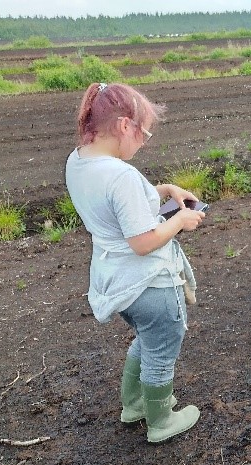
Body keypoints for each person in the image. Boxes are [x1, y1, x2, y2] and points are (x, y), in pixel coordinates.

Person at [65, 82, 206, 443]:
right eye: (143, 132)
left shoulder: (80, 161)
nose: (144, 141)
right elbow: (143, 241)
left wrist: (165, 190)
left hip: (116, 280)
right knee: (163, 345)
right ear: (124, 125)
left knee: (147, 339)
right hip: (150, 283)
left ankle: (134, 405)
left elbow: (118, 207)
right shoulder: (121, 175)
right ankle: (161, 421)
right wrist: (179, 220)